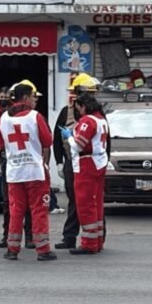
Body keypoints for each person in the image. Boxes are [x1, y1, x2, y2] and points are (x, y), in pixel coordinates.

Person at [0, 81, 56, 261]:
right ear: (26, 97)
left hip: (14, 172)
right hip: (35, 172)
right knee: (39, 210)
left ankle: (12, 249)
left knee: (16, 210)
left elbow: (1, 142)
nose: (35, 100)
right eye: (33, 96)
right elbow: (47, 141)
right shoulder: (35, 117)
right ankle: (42, 249)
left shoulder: (4, 118)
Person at [52, 73, 103, 249]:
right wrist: (59, 161)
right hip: (71, 161)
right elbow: (57, 138)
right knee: (75, 200)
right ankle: (70, 237)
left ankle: (96, 238)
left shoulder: (96, 114)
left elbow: (104, 141)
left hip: (88, 163)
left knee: (91, 201)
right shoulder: (67, 112)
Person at [61, 92, 109, 255]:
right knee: (96, 203)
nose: (78, 111)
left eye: (78, 108)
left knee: (85, 204)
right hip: (99, 162)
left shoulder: (87, 121)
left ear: (84, 106)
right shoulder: (101, 120)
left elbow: (79, 145)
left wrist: (69, 137)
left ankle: (89, 243)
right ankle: (98, 241)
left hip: (87, 164)